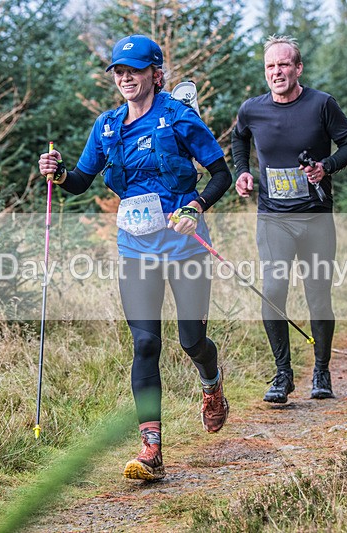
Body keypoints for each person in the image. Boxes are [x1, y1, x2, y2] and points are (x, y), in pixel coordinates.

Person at [38, 35, 232, 481]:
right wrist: (59, 172)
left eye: (134, 70)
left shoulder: (179, 118)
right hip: (135, 247)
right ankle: (152, 449)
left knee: (190, 341)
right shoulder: (107, 127)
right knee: (145, 343)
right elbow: (82, 180)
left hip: (184, 245)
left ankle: (211, 381)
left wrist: (195, 206)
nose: (125, 78)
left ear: (155, 74)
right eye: (119, 72)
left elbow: (220, 173)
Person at [231, 35, 347, 404]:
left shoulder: (322, 104)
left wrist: (326, 166)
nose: (277, 72)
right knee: (273, 292)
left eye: (284, 65)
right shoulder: (252, 109)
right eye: (271, 66)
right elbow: (240, 139)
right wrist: (242, 171)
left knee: (318, 295)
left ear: (298, 68)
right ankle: (283, 374)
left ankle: (321, 371)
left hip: (316, 218)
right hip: (274, 218)